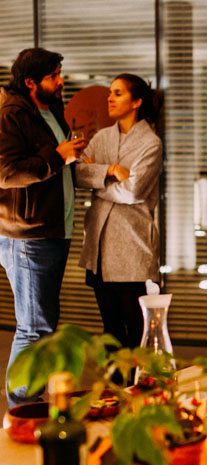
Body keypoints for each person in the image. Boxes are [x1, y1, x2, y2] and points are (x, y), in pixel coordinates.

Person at [0, 48, 87, 407]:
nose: (60, 80)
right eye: (53, 75)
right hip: (27, 235)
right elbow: (7, 173)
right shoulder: (11, 114)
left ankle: (33, 399)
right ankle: (21, 405)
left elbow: (55, 159)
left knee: (44, 325)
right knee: (33, 327)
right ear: (30, 81)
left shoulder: (49, 110)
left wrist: (72, 155)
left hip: (50, 230)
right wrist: (58, 156)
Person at [75, 74, 162, 349]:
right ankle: (114, 389)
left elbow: (134, 192)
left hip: (132, 249)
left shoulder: (151, 143)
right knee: (110, 329)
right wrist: (111, 171)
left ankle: (137, 389)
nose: (110, 98)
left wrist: (96, 178)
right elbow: (77, 174)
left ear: (136, 102)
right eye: (110, 92)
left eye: (118, 93)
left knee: (136, 331)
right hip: (99, 248)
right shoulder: (102, 137)